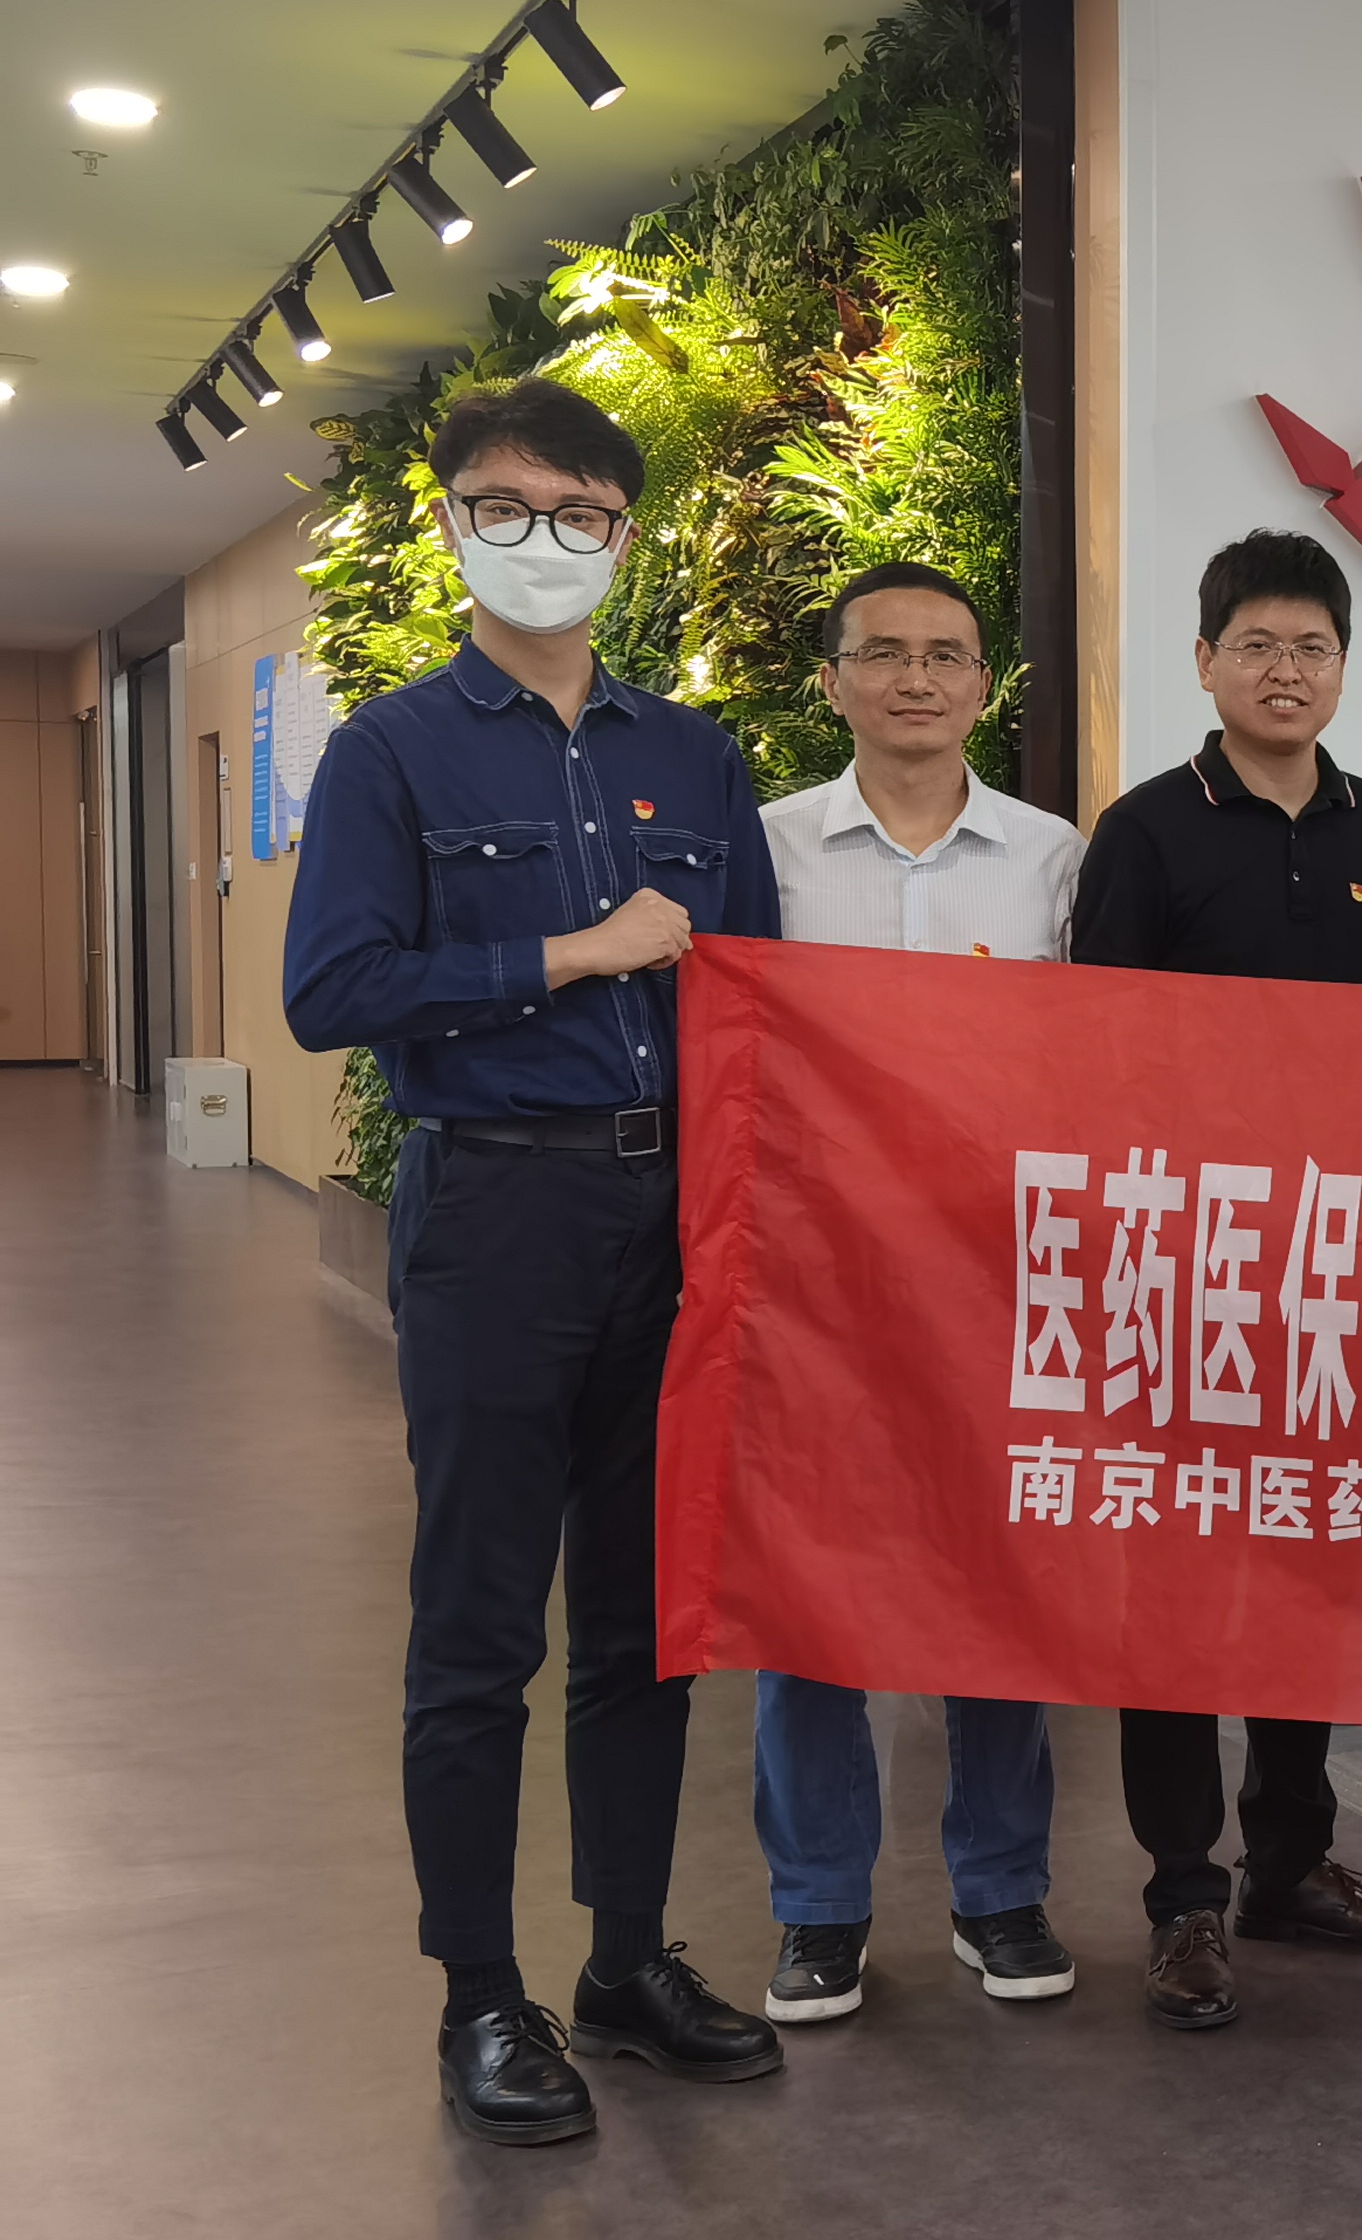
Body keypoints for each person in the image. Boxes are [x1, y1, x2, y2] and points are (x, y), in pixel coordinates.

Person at [283, 375, 788, 2145]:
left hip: (671, 1218)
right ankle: (481, 1995)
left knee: (648, 1624)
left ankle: (626, 1963)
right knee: (480, 1623)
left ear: (624, 539)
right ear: (453, 525)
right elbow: (333, 990)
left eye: (580, 515)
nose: (545, 541)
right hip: (497, 1213)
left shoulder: (694, 755)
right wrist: (569, 952)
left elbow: (757, 1003)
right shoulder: (393, 751)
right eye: (506, 507)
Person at [1069, 529, 1362, 2030]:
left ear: (1343, 668)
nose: (1285, 672)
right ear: (1206, 662)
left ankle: (1292, 1861)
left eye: (1312, 649)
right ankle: (1184, 1894)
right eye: (1258, 647)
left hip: (1340, 1266)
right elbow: (1100, 1055)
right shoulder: (1147, 831)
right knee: (1174, 1585)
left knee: (1311, 1562)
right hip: (1187, 1261)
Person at [750, 563, 1086, 2026]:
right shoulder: (764, 850)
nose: (915, 679)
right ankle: (819, 1910)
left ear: (984, 687)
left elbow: (1092, 1063)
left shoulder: (1051, 859)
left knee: (995, 1585)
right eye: (882, 654)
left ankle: (999, 1891)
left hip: (995, 1275)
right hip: (809, 1278)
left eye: (947, 655)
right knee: (806, 1591)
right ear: (833, 681)